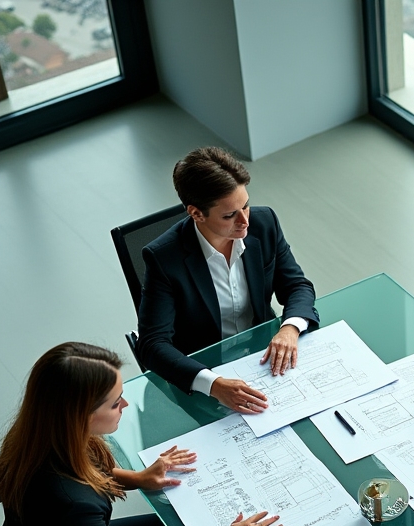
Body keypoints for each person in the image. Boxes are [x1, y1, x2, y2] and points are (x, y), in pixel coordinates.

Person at [0, 342, 291, 526]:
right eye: (114, 403)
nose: (124, 405)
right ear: (79, 417)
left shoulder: (40, 436)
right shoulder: (71, 504)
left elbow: (86, 471)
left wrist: (139, 478)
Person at [137, 146, 320, 413]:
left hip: (264, 356)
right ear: (196, 213)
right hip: (206, 372)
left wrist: (289, 328)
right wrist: (214, 384)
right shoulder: (163, 258)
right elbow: (152, 344)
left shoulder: (264, 222)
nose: (245, 220)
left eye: (245, 204)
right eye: (229, 215)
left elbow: (297, 286)